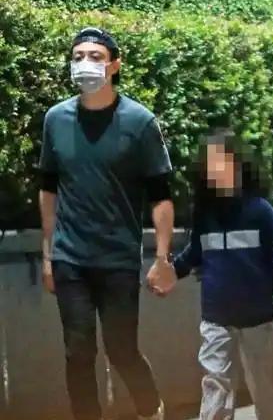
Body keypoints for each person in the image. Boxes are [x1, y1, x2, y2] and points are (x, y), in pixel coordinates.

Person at [38, 27, 175, 420]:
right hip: (70, 258)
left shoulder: (139, 122)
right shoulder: (56, 119)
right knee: (77, 351)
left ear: (114, 65)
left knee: (122, 350)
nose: (85, 63)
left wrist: (162, 257)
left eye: (95, 57)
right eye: (78, 56)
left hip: (117, 258)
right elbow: (48, 188)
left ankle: (151, 410)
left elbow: (161, 195)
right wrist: (48, 255)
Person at [173, 128, 273, 420]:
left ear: (238, 165)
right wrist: (172, 271)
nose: (217, 170)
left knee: (266, 387)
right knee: (215, 385)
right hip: (216, 317)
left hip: (258, 318)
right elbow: (195, 252)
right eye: (211, 165)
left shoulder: (260, 211)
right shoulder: (205, 215)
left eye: (223, 162)